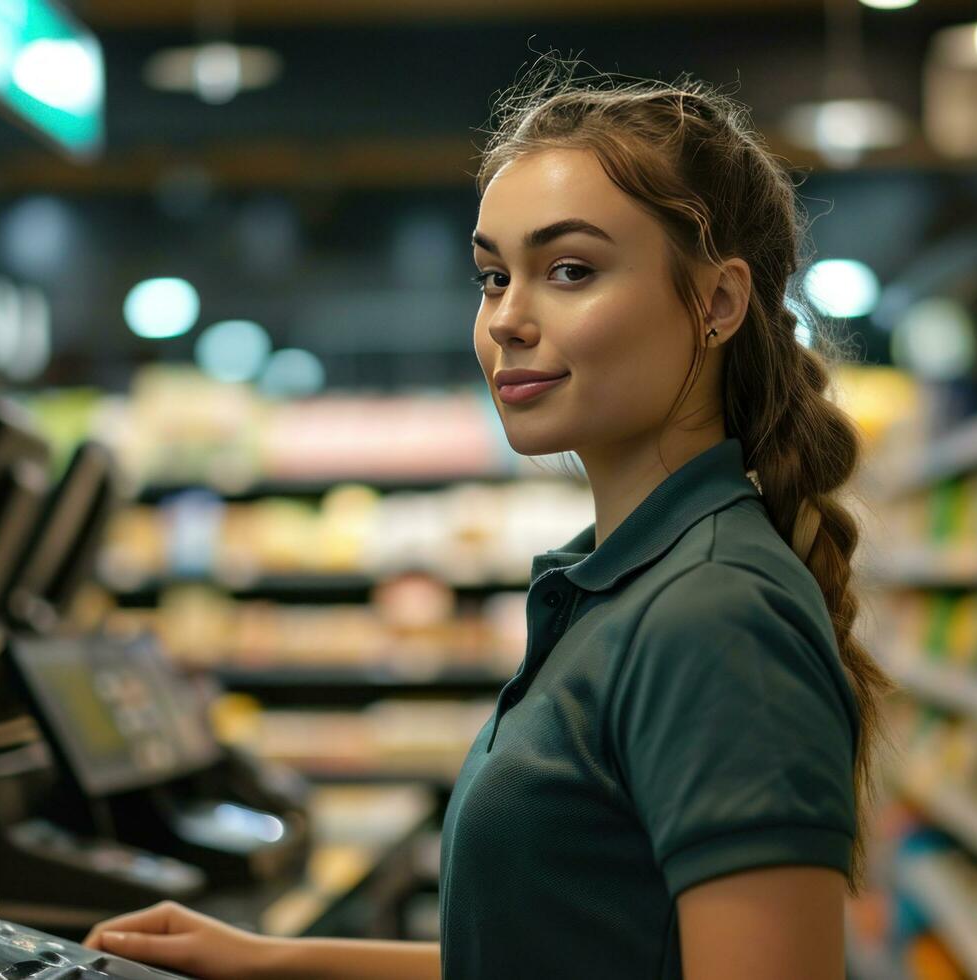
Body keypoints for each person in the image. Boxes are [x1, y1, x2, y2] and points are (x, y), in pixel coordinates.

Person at [83, 61, 890, 980]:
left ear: (716, 303)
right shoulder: (620, 580)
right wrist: (278, 962)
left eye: (570, 270)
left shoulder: (715, 612)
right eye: (491, 277)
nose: (507, 318)